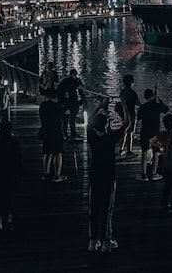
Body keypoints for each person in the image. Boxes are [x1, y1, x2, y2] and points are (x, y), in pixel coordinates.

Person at [86, 113, 125, 253]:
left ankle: (93, 240)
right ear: (106, 125)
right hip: (108, 176)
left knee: (94, 208)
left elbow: (90, 122)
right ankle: (106, 242)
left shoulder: (91, 136)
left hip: (95, 175)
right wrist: (125, 106)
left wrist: (101, 106)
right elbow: (127, 125)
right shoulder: (110, 138)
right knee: (107, 209)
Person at [0, 120, 23, 230]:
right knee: (8, 197)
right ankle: (8, 217)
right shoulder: (15, 142)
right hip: (10, 174)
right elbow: (18, 159)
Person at [135, 89, 168, 181]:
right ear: (153, 96)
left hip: (144, 131)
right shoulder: (157, 106)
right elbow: (166, 110)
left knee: (144, 153)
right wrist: (160, 101)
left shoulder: (143, 107)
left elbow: (139, 117)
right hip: (155, 133)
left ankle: (144, 174)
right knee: (156, 153)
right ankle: (154, 173)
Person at [38, 88, 66, 182]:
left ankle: (46, 173)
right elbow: (64, 117)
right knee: (58, 153)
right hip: (57, 133)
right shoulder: (58, 106)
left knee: (47, 153)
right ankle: (57, 175)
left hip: (46, 131)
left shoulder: (42, 106)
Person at [57, 69, 85, 141]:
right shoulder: (73, 82)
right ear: (73, 75)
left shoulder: (64, 81)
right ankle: (72, 133)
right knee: (72, 119)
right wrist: (79, 82)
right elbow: (83, 88)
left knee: (65, 119)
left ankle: (65, 133)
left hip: (65, 102)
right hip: (71, 103)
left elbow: (59, 91)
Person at [118, 74, 139, 156]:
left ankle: (121, 148)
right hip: (131, 114)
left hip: (123, 114)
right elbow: (138, 103)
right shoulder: (133, 93)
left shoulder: (122, 92)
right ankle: (129, 151)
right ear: (131, 82)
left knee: (124, 132)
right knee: (130, 133)